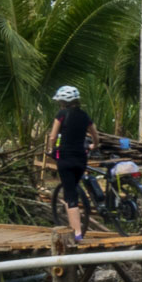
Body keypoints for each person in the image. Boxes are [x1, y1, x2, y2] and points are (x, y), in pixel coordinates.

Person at [45, 85, 99, 243]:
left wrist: (50, 149)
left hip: (66, 158)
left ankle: (77, 234)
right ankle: (77, 223)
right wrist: (93, 145)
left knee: (70, 195)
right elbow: (95, 135)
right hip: (81, 158)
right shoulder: (84, 116)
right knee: (73, 187)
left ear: (62, 102)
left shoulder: (61, 115)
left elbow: (53, 137)